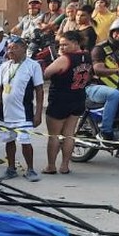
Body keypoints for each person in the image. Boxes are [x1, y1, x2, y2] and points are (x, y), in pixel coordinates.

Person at [0, 36, 44, 182]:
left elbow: (39, 90)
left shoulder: (33, 66)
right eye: (9, 48)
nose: (10, 50)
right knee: (9, 141)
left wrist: (38, 113)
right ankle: (11, 168)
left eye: (14, 48)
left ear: (24, 49)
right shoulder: (4, 65)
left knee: (25, 141)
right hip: (6, 113)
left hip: (23, 113)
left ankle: (30, 169)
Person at [87, 15, 119, 158]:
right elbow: (97, 69)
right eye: (116, 31)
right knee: (114, 94)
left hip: (117, 87)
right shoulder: (101, 48)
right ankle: (106, 131)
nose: (118, 35)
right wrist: (117, 71)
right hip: (93, 87)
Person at [43, 30, 91, 174]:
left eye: (65, 44)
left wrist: (58, 58)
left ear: (75, 43)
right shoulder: (87, 56)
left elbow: (46, 73)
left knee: (54, 136)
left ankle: (51, 166)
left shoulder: (65, 59)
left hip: (60, 99)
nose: (62, 48)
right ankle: (65, 166)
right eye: (61, 45)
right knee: (70, 134)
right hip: (78, 97)